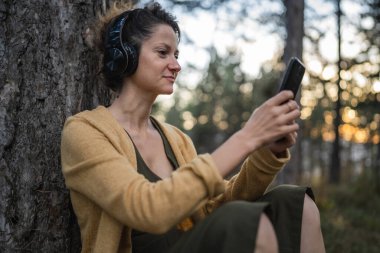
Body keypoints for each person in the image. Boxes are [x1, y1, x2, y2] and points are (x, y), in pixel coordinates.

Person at [61, 2, 325, 253]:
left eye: (176, 55)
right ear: (125, 56)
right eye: (162, 53)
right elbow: (145, 208)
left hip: (196, 244)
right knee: (243, 220)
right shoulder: (84, 132)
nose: (176, 65)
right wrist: (247, 137)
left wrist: (265, 150)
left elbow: (216, 207)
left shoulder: (176, 139)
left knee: (295, 202)